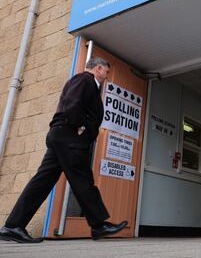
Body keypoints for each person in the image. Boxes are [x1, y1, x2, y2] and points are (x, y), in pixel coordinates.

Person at [0, 57, 127, 243]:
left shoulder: (84, 81)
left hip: (61, 136)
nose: (106, 77)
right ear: (98, 68)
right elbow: (71, 103)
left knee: (42, 181)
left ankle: (13, 226)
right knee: (83, 179)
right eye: (106, 72)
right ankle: (99, 225)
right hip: (68, 137)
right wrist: (81, 126)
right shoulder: (85, 80)